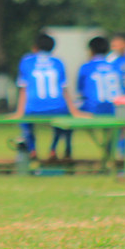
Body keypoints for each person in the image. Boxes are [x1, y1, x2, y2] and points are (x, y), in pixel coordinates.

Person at [12, 33, 86, 161]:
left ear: (35, 47)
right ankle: (54, 148)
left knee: (26, 123)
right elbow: (64, 89)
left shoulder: (27, 61)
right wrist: (74, 110)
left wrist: (19, 112)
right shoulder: (58, 62)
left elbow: (23, 89)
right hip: (57, 107)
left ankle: (32, 149)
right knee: (64, 123)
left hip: (34, 108)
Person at [77, 36, 122, 115]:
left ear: (91, 50)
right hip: (115, 109)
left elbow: (81, 90)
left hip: (94, 109)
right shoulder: (115, 66)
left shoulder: (87, 67)